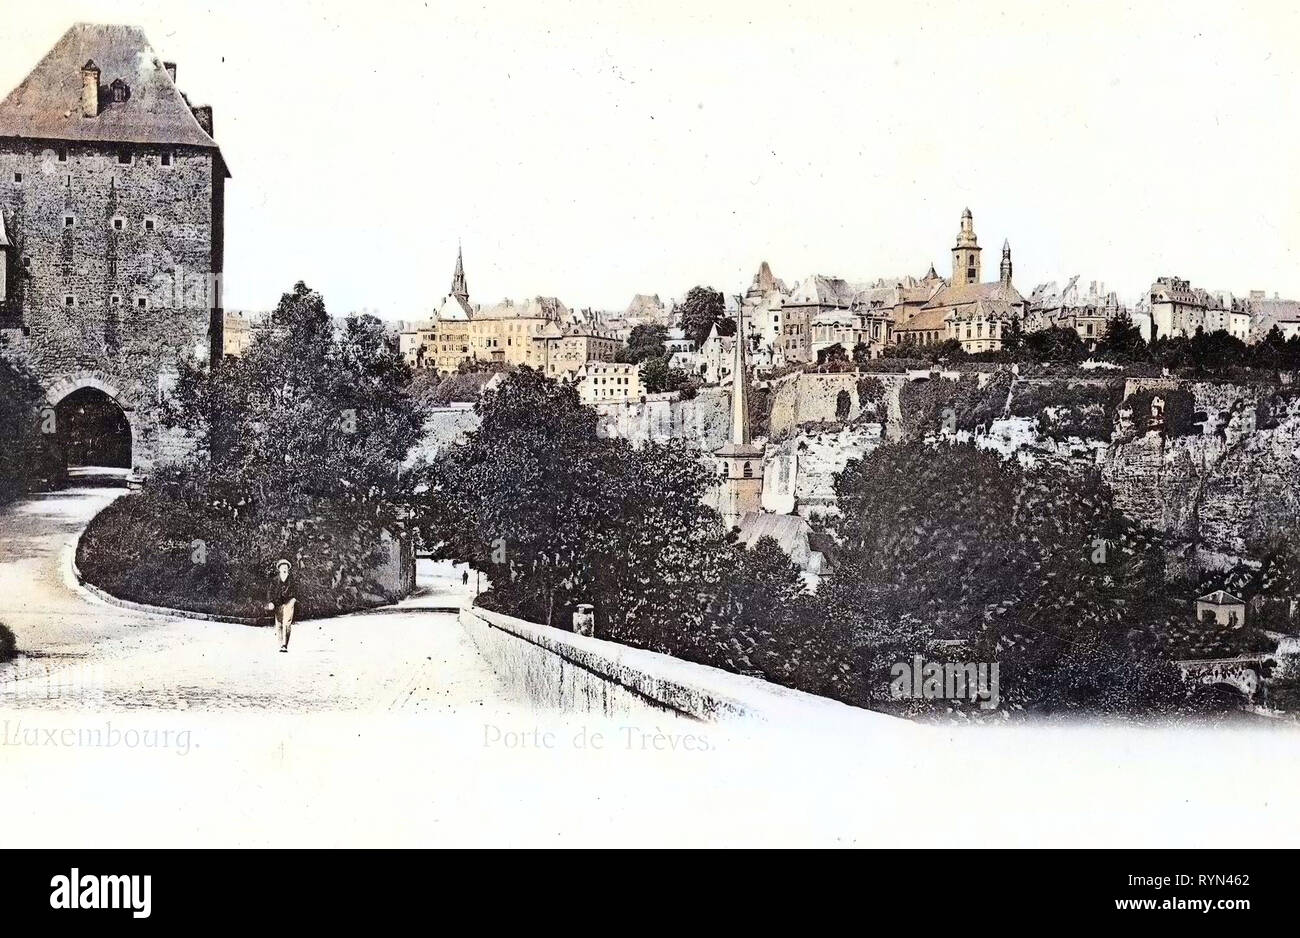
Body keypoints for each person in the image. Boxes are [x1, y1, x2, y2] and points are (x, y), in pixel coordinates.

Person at [265, 559, 297, 653]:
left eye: (286, 567)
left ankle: (284, 645)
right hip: (277, 602)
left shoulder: (292, 580)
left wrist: (294, 600)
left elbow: (297, 591)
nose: (284, 569)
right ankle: (280, 644)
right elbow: (270, 592)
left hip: (289, 602)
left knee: (287, 622)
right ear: (279, 569)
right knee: (279, 623)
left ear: (288, 569)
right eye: (282, 567)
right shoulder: (275, 580)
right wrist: (270, 602)